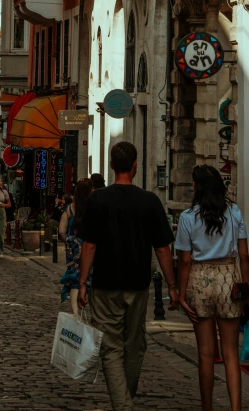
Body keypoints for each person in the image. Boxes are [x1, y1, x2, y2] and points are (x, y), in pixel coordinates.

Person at [77, 141, 178, 411]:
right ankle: (125, 403)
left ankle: (123, 406)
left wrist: (83, 282)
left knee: (110, 348)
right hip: (138, 286)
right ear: (135, 165)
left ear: (112, 166)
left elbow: (89, 245)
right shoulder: (149, 201)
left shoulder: (98, 199)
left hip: (105, 286)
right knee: (134, 346)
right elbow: (163, 249)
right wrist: (172, 285)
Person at [176, 164, 249, 411]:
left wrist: (181, 293)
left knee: (206, 354)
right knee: (230, 352)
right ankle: (236, 408)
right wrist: (245, 287)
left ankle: (207, 407)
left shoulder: (187, 217)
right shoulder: (235, 212)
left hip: (200, 279)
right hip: (229, 277)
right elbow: (244, 254)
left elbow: (185, 260)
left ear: (197, 187)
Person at [59, 178, 93, 312]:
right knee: (89, 275)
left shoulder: (70, 208)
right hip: (89, 246)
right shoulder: (92, 207)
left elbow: (61, 230)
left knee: (74, 279)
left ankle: (75, 314)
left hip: (73, 248)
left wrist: (69, 240)